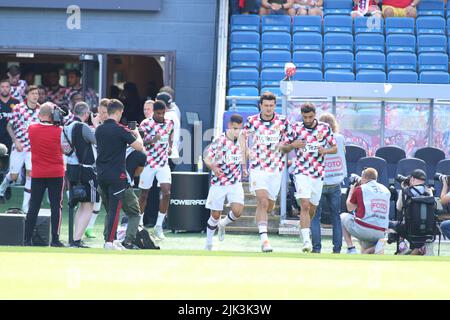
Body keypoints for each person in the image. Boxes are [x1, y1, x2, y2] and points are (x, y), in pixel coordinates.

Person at [280, 104, 337, 252]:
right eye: (305, 117)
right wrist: (293, 145)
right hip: (301, 172)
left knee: (312, 208)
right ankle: (306, 241)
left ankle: (303, 227)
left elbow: (335, 147)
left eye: (310, 117)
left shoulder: (324, 128)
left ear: (315, 114)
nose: (308, 119)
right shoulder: (296, 128)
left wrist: (325, 150)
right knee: (304, 205)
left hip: (318, 174)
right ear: (301, 115)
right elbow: (283, 147)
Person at [243, 92, 295, 252]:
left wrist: (284, 147)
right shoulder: (252, 121)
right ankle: (265, 240)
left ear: (275, 106)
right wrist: (246, 152)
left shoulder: (282, 121)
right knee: (263, 201)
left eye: (271, 105)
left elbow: (291, 142)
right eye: (266, 105)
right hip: (258, 167)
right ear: (260, 105)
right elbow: (242, 138)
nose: (268, 108)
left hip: (276, 168)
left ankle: (261, 218)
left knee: (269, 205)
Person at [95, 99, 144, 250]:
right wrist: (136, 133)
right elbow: (139, 147)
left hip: (101, 174)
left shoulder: (99, 129)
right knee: (115, 209)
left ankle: (113, 239)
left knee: (110, 210)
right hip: (116, 175)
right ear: (118, 112)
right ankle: (109, 242)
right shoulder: (121, 130)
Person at [204, 114, 247, 251]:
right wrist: (213, 168)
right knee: (215, 214)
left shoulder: (241, 139)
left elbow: (243, 154)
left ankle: (223, 224)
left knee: (238, 211)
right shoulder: (219, 141)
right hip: (219, 182)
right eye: (234, 128)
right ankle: (209, 243)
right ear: (229, 126)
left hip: (235, 182)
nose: (236, 131)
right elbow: (207, 158)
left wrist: (244, 168)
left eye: (239, 128)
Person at [25, 102, 65, 247]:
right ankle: (55, 239)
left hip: (38, 173)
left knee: (33, 206)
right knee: (56, 206)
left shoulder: (32, 128)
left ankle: (27, 239)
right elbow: (65, 149)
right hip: (56, 172)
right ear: (52, 116)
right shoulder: (59, 130)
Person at [63, 102, 98, 248]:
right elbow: (97, 140)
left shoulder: (66, 126)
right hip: (86, 169)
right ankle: (76, 240)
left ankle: (75, 238)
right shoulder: (82, 127)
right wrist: (96, 125)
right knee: (88, 205)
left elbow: (64, 148)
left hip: (71, 169)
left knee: (81, 205)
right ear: (86, 114)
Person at [138, 100, 174, 240]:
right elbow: (140, 143)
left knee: (166, 192)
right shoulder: (145, 124)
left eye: (163, 113)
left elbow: (170, 136)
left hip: (163, 163)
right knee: (144, 194)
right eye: (158, 113)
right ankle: (139, 223)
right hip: (148, 162)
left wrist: (170, 147)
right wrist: (152, 140)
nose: (161, 116)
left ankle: (158, 226)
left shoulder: (170, 122)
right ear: (153, 112)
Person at [311, 113, 346, 254]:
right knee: (335, 216)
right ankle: (337, 249)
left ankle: (316, 248)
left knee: (315, 216)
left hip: (319, 181)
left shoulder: (315, 139)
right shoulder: (340, 138)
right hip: (335, 181)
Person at [0, 86, 40, 210]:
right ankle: (2, 189)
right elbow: (9, 126)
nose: (35, 96)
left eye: (37, 93)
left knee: (30, 175)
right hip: (19, 147)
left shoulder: (41, 110)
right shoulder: (19, 108)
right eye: (33, 93)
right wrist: (15, 141)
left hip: (33, 149)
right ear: (27, 95)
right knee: (14, 176)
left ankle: (25, 207)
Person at [341, 168, 390, 254]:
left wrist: (351, 191)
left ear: (363, 177)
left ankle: (351, 248)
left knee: (342, 217)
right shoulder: (386, 190)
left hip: (364, 229)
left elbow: (350, 208)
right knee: (364, 252)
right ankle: (376, 247)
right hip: (381, 232)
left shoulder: (360, 189)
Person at [391, 169, 434, 255]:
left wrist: (403, 190)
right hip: (428, 230)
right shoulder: (429, 191)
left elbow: (398, 208)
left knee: (394, 226)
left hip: (410, 228)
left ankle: (402, 247)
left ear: (413, 179)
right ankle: (420, 248)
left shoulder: (405, 192)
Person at [84, 98, 110, 239]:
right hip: (92, 169)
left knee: (99, 201)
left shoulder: (110, 127)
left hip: (105, 169)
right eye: (100, 112)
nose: (102, 115)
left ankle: (90, 228)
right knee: (88, 201)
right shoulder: (90, 128)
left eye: (104, 112)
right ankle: (83, 227)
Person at [0, 79, 19, 160]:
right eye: (2, 87)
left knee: (11, 163)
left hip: (11, 138)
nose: (5, 89)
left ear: (10, 88)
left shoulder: (16, 102)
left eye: (7, 87)